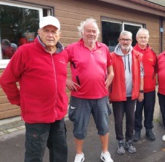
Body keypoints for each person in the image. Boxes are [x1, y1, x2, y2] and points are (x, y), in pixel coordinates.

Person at [0, 16, 68, 162]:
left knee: (60, 153)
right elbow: (6, 80)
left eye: (54, 31)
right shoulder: (25, 52)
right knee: (34, 157)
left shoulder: (63, 53)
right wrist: (19, 101)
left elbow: (58, 78)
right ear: (39, 32)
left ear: (59, 35)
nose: (50, 35)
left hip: (58, 115)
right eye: (46, 30)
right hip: (37, 117)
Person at [66, 18, 114, 162]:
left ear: (97, 33)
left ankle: (105, 152)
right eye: (88, 31)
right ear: (82, 32)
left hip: (101, 96)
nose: (91, 34)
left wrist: (111, 74)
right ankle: (79, 154)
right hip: (80, 97)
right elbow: (58, 63)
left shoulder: (104, 48)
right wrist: (64, 79)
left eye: (94, 31)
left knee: (104, 127)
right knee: (79, 129)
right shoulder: (72, 48)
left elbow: (110, 67)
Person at [109, 30, 144, 155]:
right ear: (119, 40)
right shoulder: (111, 56)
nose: (125, 41)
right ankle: (120, 141)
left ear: (131, 41)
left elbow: (141, 74)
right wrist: (108, 94)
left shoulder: (138, 55)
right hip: (117, 94)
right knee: (118, 120)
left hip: (132, 94)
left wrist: (141, 91)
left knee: (131, 118)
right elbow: (107, 75)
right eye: (123, 39)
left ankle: (129, 141)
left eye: (128, 39)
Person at [132, 28, 157, 142]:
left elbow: (155, 69)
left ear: (148, 38)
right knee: (137, 111)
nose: (143, 39)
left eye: (145, 37)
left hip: (150, 89)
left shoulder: (152, 52)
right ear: (137, 38)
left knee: (149, 110)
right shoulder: (131, 52)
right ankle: (137, 130)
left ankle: (149, 129)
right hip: (136, 90)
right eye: (141, 37)